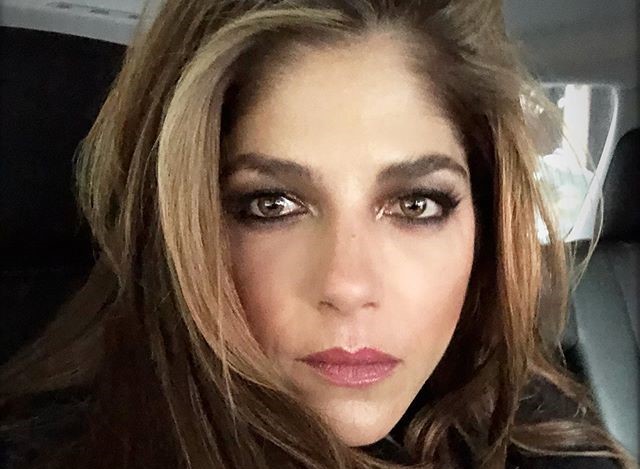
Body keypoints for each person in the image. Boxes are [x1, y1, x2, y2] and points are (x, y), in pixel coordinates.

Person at [0, 0, 637, 468]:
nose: (347, 286)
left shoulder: (548, 440)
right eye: (271, 204)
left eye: (416, 204)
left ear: (486, 222)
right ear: (180, 225)